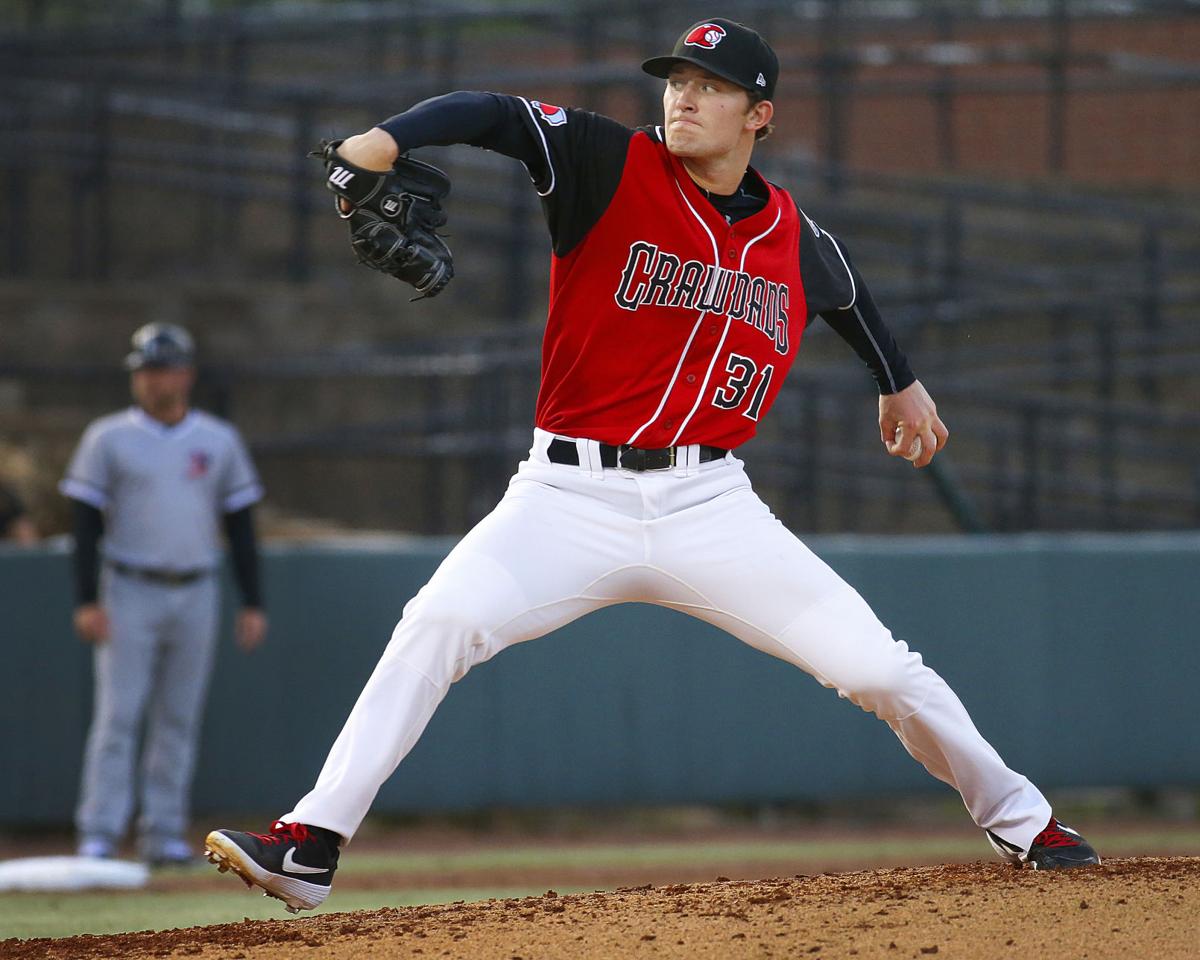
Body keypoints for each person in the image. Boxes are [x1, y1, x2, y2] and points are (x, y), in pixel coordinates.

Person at [205, 18, 1099, 911]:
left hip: (710, 502)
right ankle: (310, 844)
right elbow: (497, 115)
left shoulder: (792, 233)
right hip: (565, 494)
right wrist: (386, 138)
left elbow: (844, 288)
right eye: (677, 80)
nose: (684, 96)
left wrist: (898, 382)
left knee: (881, 673)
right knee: (436, 623)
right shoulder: (606, 163)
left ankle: (1022, 820)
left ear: (761, 115)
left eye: (710, 86)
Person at [61, 322, 268, 865]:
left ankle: (163, 830)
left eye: (166, 369)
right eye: (147, 370)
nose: (156, 380)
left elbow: (242, 524)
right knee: (119, 716)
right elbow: (84, 524)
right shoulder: (108, 437)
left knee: (179, 717)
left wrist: (252, 601)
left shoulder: (216, 440)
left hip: (197, 586)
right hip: (129, 585)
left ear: (188, 374)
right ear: (137, 378)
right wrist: (87, 598)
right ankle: (101, 831)